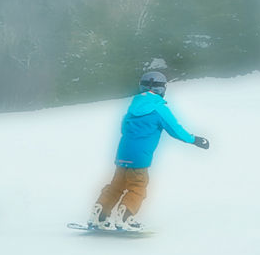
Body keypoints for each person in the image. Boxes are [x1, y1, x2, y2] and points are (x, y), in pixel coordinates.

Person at [89, 70, 209, 231]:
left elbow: (124, 128)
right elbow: (175, 129)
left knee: (116, 185)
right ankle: (125, 217)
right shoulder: (159, 108)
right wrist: (194, 140)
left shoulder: (133, 106)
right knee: (138, 186)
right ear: (162, 89)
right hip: (140, 158)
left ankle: (99, 214)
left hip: (123, 153)